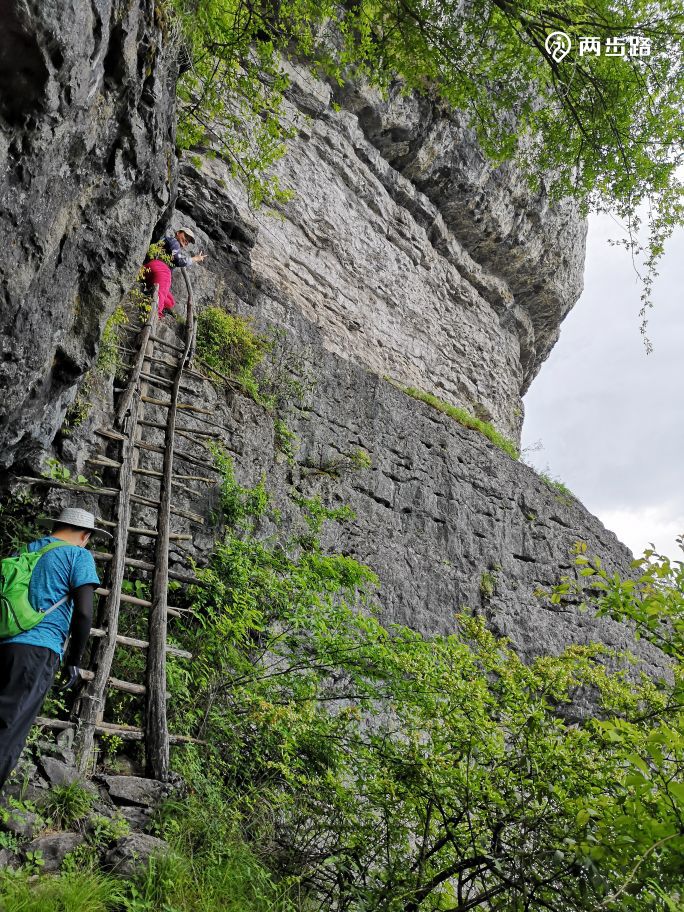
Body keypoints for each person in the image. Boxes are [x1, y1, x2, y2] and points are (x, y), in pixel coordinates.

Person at [0, 507, 110, 790]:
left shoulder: (30, 550)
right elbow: (84, 612)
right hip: (39, 649)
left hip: (6, 643)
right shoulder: (78, 555)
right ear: (85, 535)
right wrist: (74, 660)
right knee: (10, 729)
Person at [144, 226, 208, 320]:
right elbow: (179, 261)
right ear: (178, 233)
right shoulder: (173, 242)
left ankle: (147, 297)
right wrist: (195, 259)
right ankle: (154, 315)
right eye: (186, 236)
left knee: (170, 301)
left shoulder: (168, 242)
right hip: (161, 268)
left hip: (149, 268)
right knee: (161, 292)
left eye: (188, 241)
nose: (186, 241)